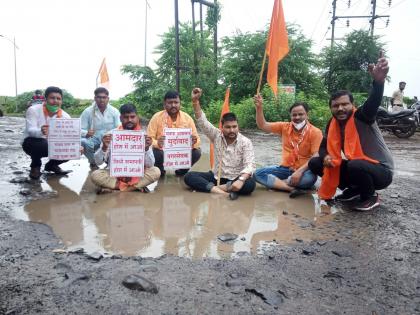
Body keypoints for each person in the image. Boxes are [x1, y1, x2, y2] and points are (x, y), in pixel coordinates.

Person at [308, 52, 394, 211]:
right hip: (359, 165)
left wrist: (379, 81)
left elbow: (373, 102)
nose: (340, 108)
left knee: (354, 165)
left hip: (382, 171)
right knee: (315, 162)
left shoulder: (362, 116)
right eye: (335, 106)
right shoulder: (332, 123)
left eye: (344, 104)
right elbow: (322, 147)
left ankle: (370, 197)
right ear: (331, 108)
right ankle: (355, 190)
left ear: (352, 105)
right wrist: (326, 157)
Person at [184, 88, 256, 200]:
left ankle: (213, 189)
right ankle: (224, 192)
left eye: (234, 127)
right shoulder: (216, 135)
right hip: (217, 176)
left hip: (236, 178)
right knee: (189, 176)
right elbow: (202, 122)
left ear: (238, 127)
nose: (232, 130)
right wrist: (195, 101)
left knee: (250, 184)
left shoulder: (246, 142)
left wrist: (241, 180)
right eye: (228, 127)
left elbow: (250, 165)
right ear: (222, 127)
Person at [253, 97, 323, 198]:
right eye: (294, 115)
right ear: (290, 116)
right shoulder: (284, 127)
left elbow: (316, 156)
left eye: (301, 114)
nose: (297, 117)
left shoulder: (315, 132)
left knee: (309, 179)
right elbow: (263, 125)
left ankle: (277, 184)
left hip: (304, 171)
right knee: (257, 174)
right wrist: (259, 108)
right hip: (285, 169)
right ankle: (291, 188)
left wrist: (299, 172)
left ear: (307, 115)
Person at [90, 103, 160, 194]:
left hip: (138, 174)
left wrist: (146, 149)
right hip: (115, 175)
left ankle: (117, 189)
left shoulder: (144, 136)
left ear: (137, 118)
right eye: (126, 117)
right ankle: (134, 188)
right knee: (96, 175)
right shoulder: (111, 135)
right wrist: (104, 147)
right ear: (120, 118)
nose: (129, 120)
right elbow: (98, 162)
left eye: (132, 117)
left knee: (156, 171)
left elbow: (150, 164)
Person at [22, 86, 72, 180]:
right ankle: (35, 166)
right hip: (33, 142)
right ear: (45, 99)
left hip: (53, 144)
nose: (55, 101)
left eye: (58, 99)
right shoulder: (33, 110)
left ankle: (52, 165)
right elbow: (30, 130)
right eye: (52, 98)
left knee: (75, 149)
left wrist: (77, 146)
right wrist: (41, 131)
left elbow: (69, 136)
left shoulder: (65, 116)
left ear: (61, 101)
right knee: (41, 143)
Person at [147, 90, 201, 176]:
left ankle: (182, 171)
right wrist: (157, 143)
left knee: (197, 152)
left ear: (180, 103)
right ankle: (160, 171)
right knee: (156, 152)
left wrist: (193, 142)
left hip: (181, 153)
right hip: (162, 152)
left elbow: (197, 139)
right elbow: (148, 139)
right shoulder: (156, 117)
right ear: (164, 104)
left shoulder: (187, 118)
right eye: (170, 102)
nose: (173, 105)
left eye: (176, 102)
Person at [80, 87, 120, 168]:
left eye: (104, 97)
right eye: (99, 97)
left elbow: (119, 128)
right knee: (83, 141)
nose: (101, 100)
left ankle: (109, 161)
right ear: (95, 98)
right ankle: (93, 162)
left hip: (109, 140)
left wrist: (110, 136)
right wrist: (86, 133)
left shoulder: (114, 111)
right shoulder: (88, 111)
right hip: (94, 140)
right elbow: (78, 129)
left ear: (108, 98)